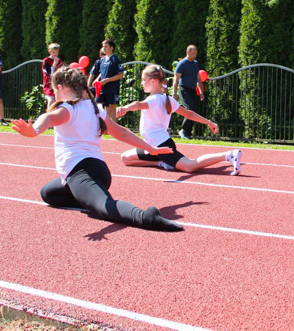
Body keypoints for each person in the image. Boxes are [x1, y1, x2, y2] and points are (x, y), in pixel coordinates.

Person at [10, 66, 183, 232]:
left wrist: (33, 131)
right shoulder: (94, 108)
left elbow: (47, 118)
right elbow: (121, 133)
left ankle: (146, 216)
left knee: (104, 207)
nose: (54, 94)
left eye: (54, 90)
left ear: (61, 88)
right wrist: (150, 149)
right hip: (99, 171)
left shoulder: (67, 109)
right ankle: (91, 198)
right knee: (48, 194)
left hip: (81, 172)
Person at [117, 64, 242, 175]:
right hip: (152, 146)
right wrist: (209, 122)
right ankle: (161, 163)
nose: (142, 83)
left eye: (144, 80)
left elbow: (138, 105)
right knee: (126, 158)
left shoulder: (152, 100)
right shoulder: (167, 99)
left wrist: (125, 108)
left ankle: (228, 155)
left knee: (190, 166)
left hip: (162, 146)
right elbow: (189, 114)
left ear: (154, 81)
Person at [172, 45, 204, 139]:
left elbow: (198, 78)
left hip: (192, 90)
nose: (195, 55)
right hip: (183, 89)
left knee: (194, 111)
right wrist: (174, 93)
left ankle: (187, 133)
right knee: (190, 109)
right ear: (188, 52)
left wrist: (201, 91)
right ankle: (183, 130)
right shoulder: (182, 64)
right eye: (193, 53)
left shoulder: (195, 63)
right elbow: (176, 79)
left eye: (196, 54)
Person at [89, 39, 123, 121]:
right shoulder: (102, 60)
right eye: (103, 47)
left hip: (112, 88)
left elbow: (120, 75)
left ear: (111, 48)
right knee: (103, 107)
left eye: (106, 47)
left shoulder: (115, 59)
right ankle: (106, 128)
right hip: (102, 87)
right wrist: (97, 79)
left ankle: (114, 128)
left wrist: (107, 80)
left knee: (112, 107)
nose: (104, 48)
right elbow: (102, 72)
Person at [42, 43, 64, 107]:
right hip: (48, 85)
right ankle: (48, 115)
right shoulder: (46, 61)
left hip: (57, 85)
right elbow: (49, 73)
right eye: (53, 52)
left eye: (57, 52)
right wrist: (54, 64)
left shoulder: (60, 61)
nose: (55, 54)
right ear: (49, 51)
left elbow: (61, 72)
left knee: (58, 102)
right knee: (51, 100)